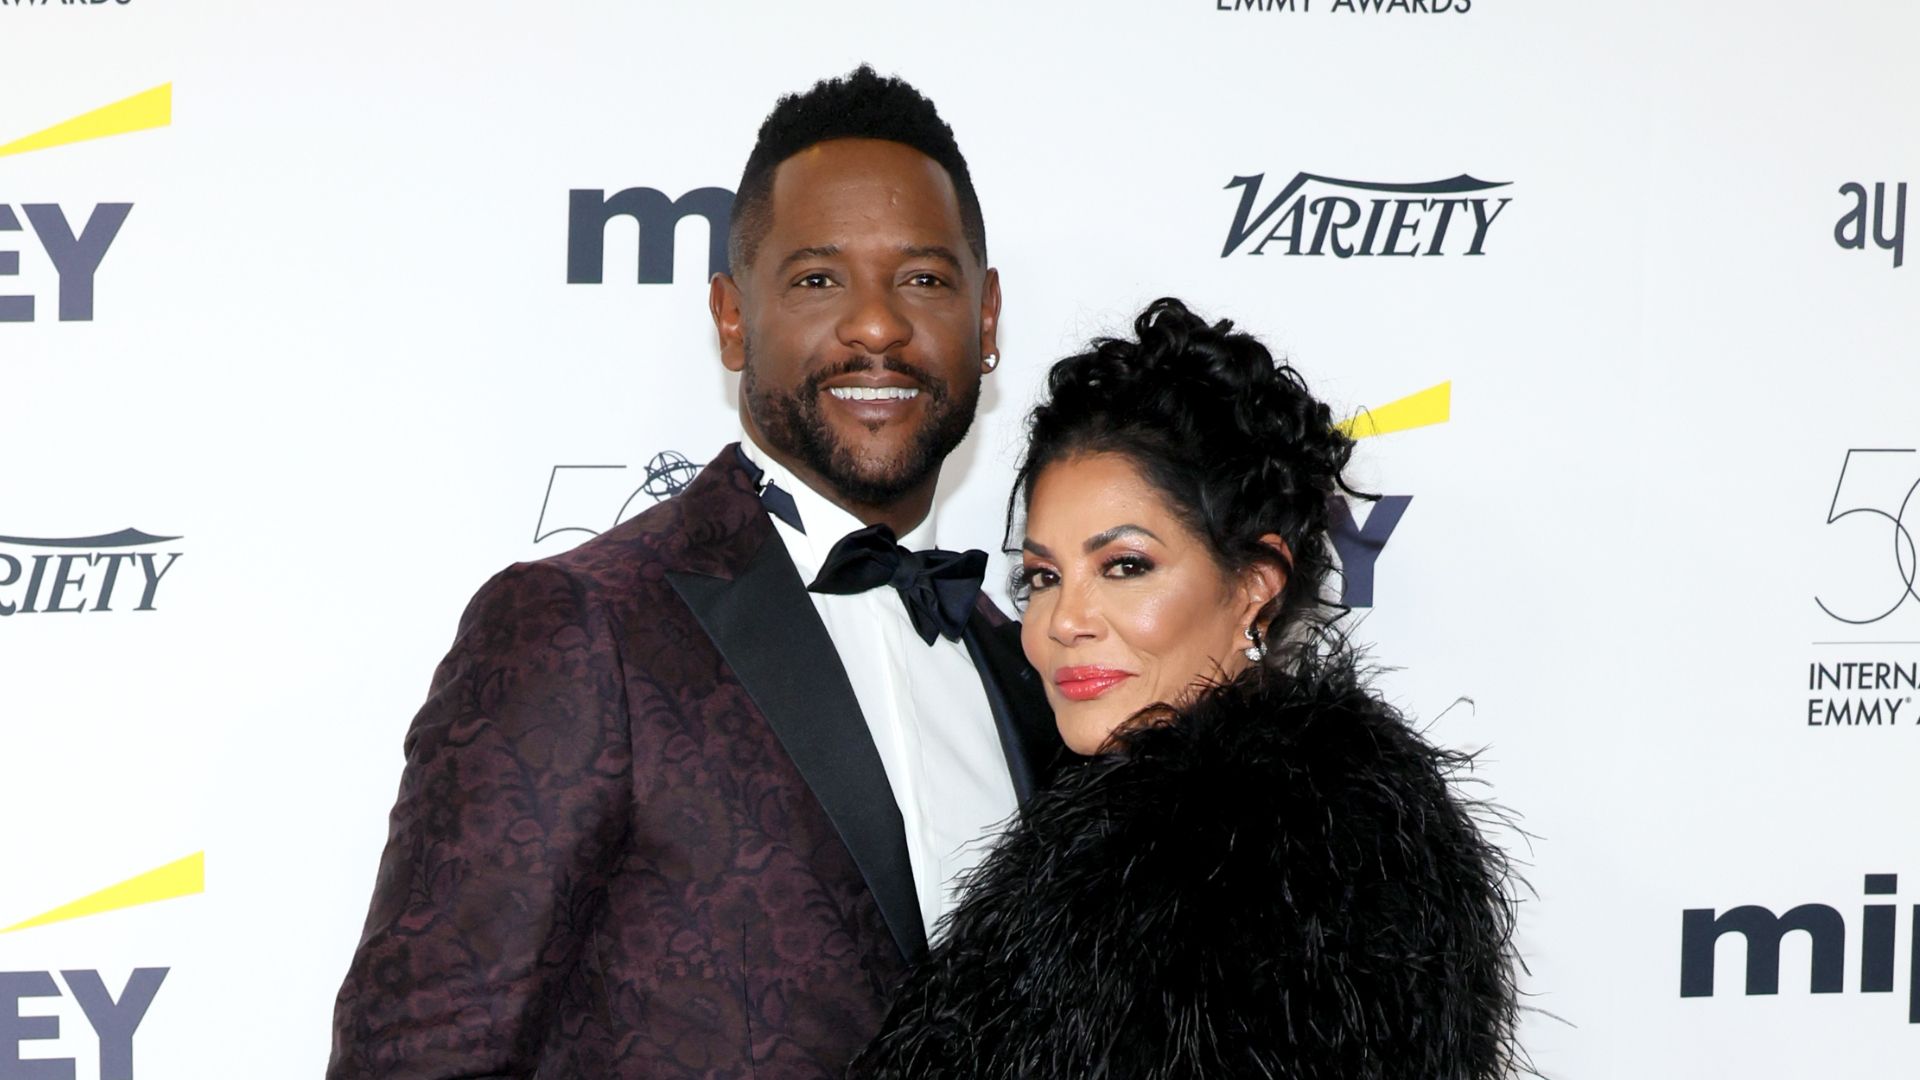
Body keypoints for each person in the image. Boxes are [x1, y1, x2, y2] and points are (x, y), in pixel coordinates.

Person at [327, 66, 1062, 1079]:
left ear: (985, 324)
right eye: (817, 279)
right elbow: (418, 1058)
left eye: (924, 279)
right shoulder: (580, 628)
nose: (878, 326)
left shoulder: (1026, 664)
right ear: (730, 318)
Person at [849, 298, 1523, 1079]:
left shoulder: (1284, 877)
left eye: (1125, 566)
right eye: (1041, 576)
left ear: (1254, 587)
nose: (1063, 620)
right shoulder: (1114, 840)